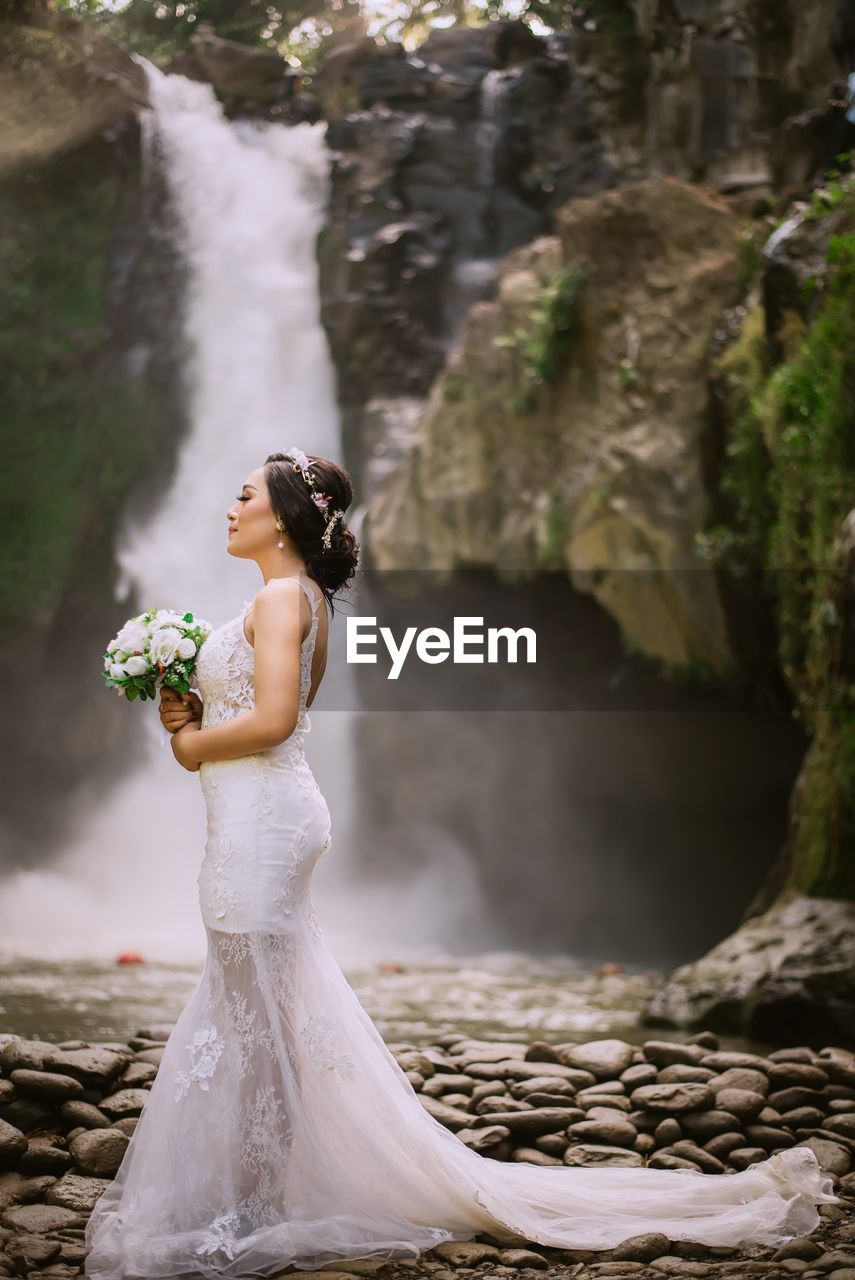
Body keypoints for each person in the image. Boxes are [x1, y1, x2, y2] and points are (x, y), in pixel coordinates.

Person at [84, 448, 838, 1280]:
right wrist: (181, 710)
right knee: (254, 1009)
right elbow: (257, 718)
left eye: (245, 496)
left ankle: (256, 1211)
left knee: (256, 1021)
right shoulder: (297, 600)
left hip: (261, 819)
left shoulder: (278, 597)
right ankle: (255, 1197)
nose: (229, 509)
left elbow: (271, 721)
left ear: (288, 517)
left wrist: (188, 741)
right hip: (256, 815)